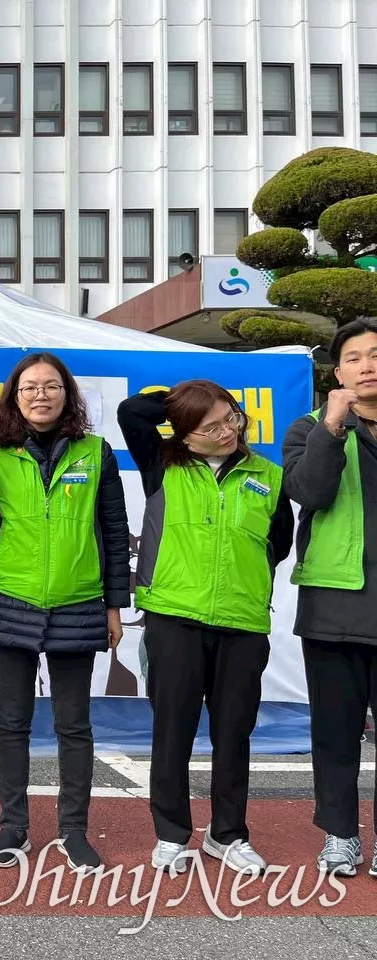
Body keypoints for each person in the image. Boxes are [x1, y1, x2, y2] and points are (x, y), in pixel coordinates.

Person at [0, 352, 130, 871]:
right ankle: (13, 827)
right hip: (14, 600)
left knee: (74, 726)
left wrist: (114, 606)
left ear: (67, 394)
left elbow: (115, 533)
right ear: (14, 396)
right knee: (12, 724)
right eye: (29, 387)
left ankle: (73, 830)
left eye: (51, 386)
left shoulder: (96, 452)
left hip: (79, 603)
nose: (40, 395)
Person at [118, 380, 293, 875]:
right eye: (210, 426)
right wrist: (186, 400)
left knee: (234, 732)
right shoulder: (162, 463)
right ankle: (172, 834)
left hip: (242, 622)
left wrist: (213, 405)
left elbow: (276, 545)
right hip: (174, 616)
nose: (226, 431)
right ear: (184, 436)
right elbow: (134, 412)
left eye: (232, 418)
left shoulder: (269, 476)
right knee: (172, 730)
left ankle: (228, 835)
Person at [283, 318, 377, 877]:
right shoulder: (309, 429)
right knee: (336, 733)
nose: (368, 365)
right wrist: (333, 430)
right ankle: (341, 835)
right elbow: (310, 492)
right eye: (356, 357)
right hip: (335, 608)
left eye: (376, 354)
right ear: (337, 372)